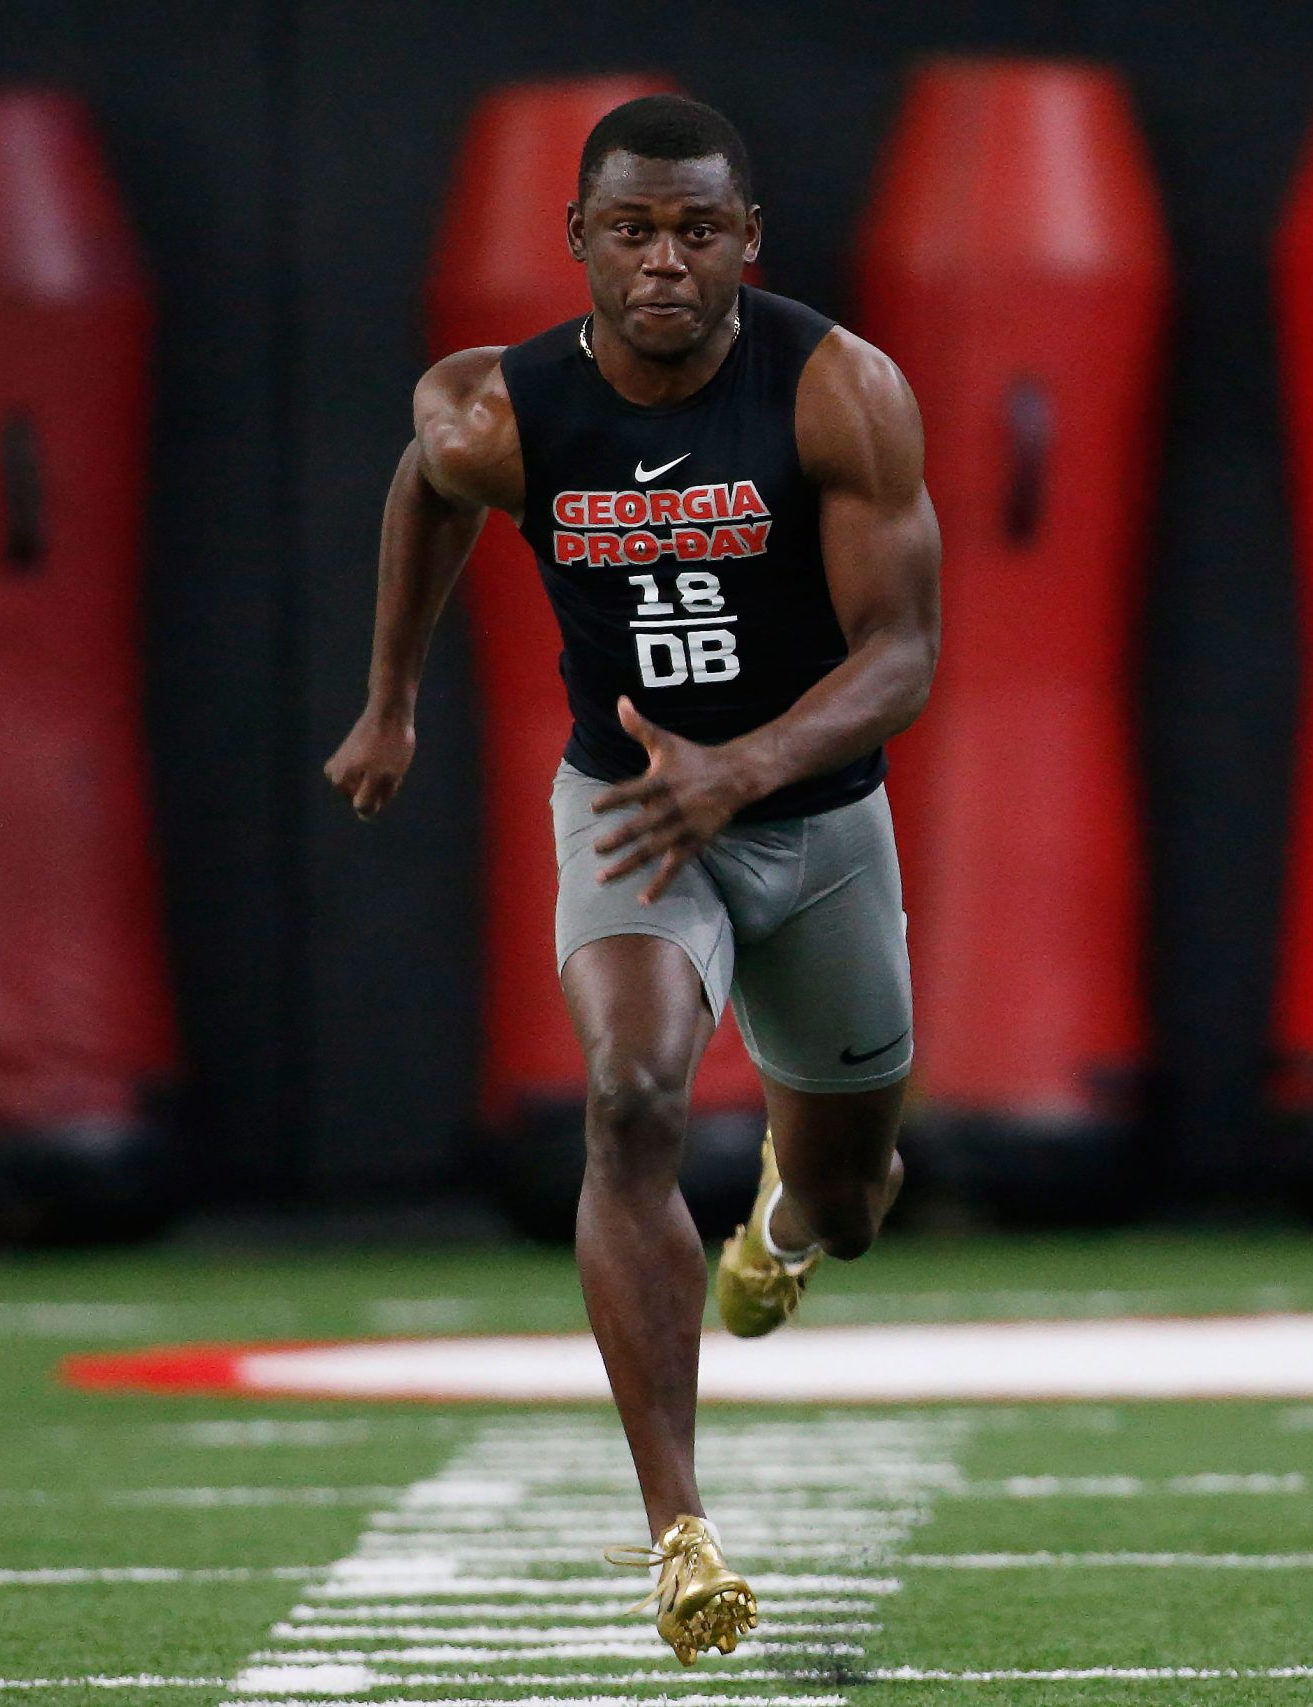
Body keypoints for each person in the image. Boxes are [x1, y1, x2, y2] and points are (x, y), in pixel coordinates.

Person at [322, 94, 941, 1665]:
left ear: (748, 241)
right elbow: (427, 487)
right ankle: (680, 1529)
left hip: (811, 823)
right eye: (631, 231)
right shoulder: (500, 407)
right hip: (626, 811)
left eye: (696, 230)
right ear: (580, 246)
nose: (665, 262)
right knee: (631, 1096)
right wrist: (392, 695)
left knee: (861, 1200)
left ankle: (789, 1220)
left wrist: (743, 769)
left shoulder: (837, 390)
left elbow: (904, 654)